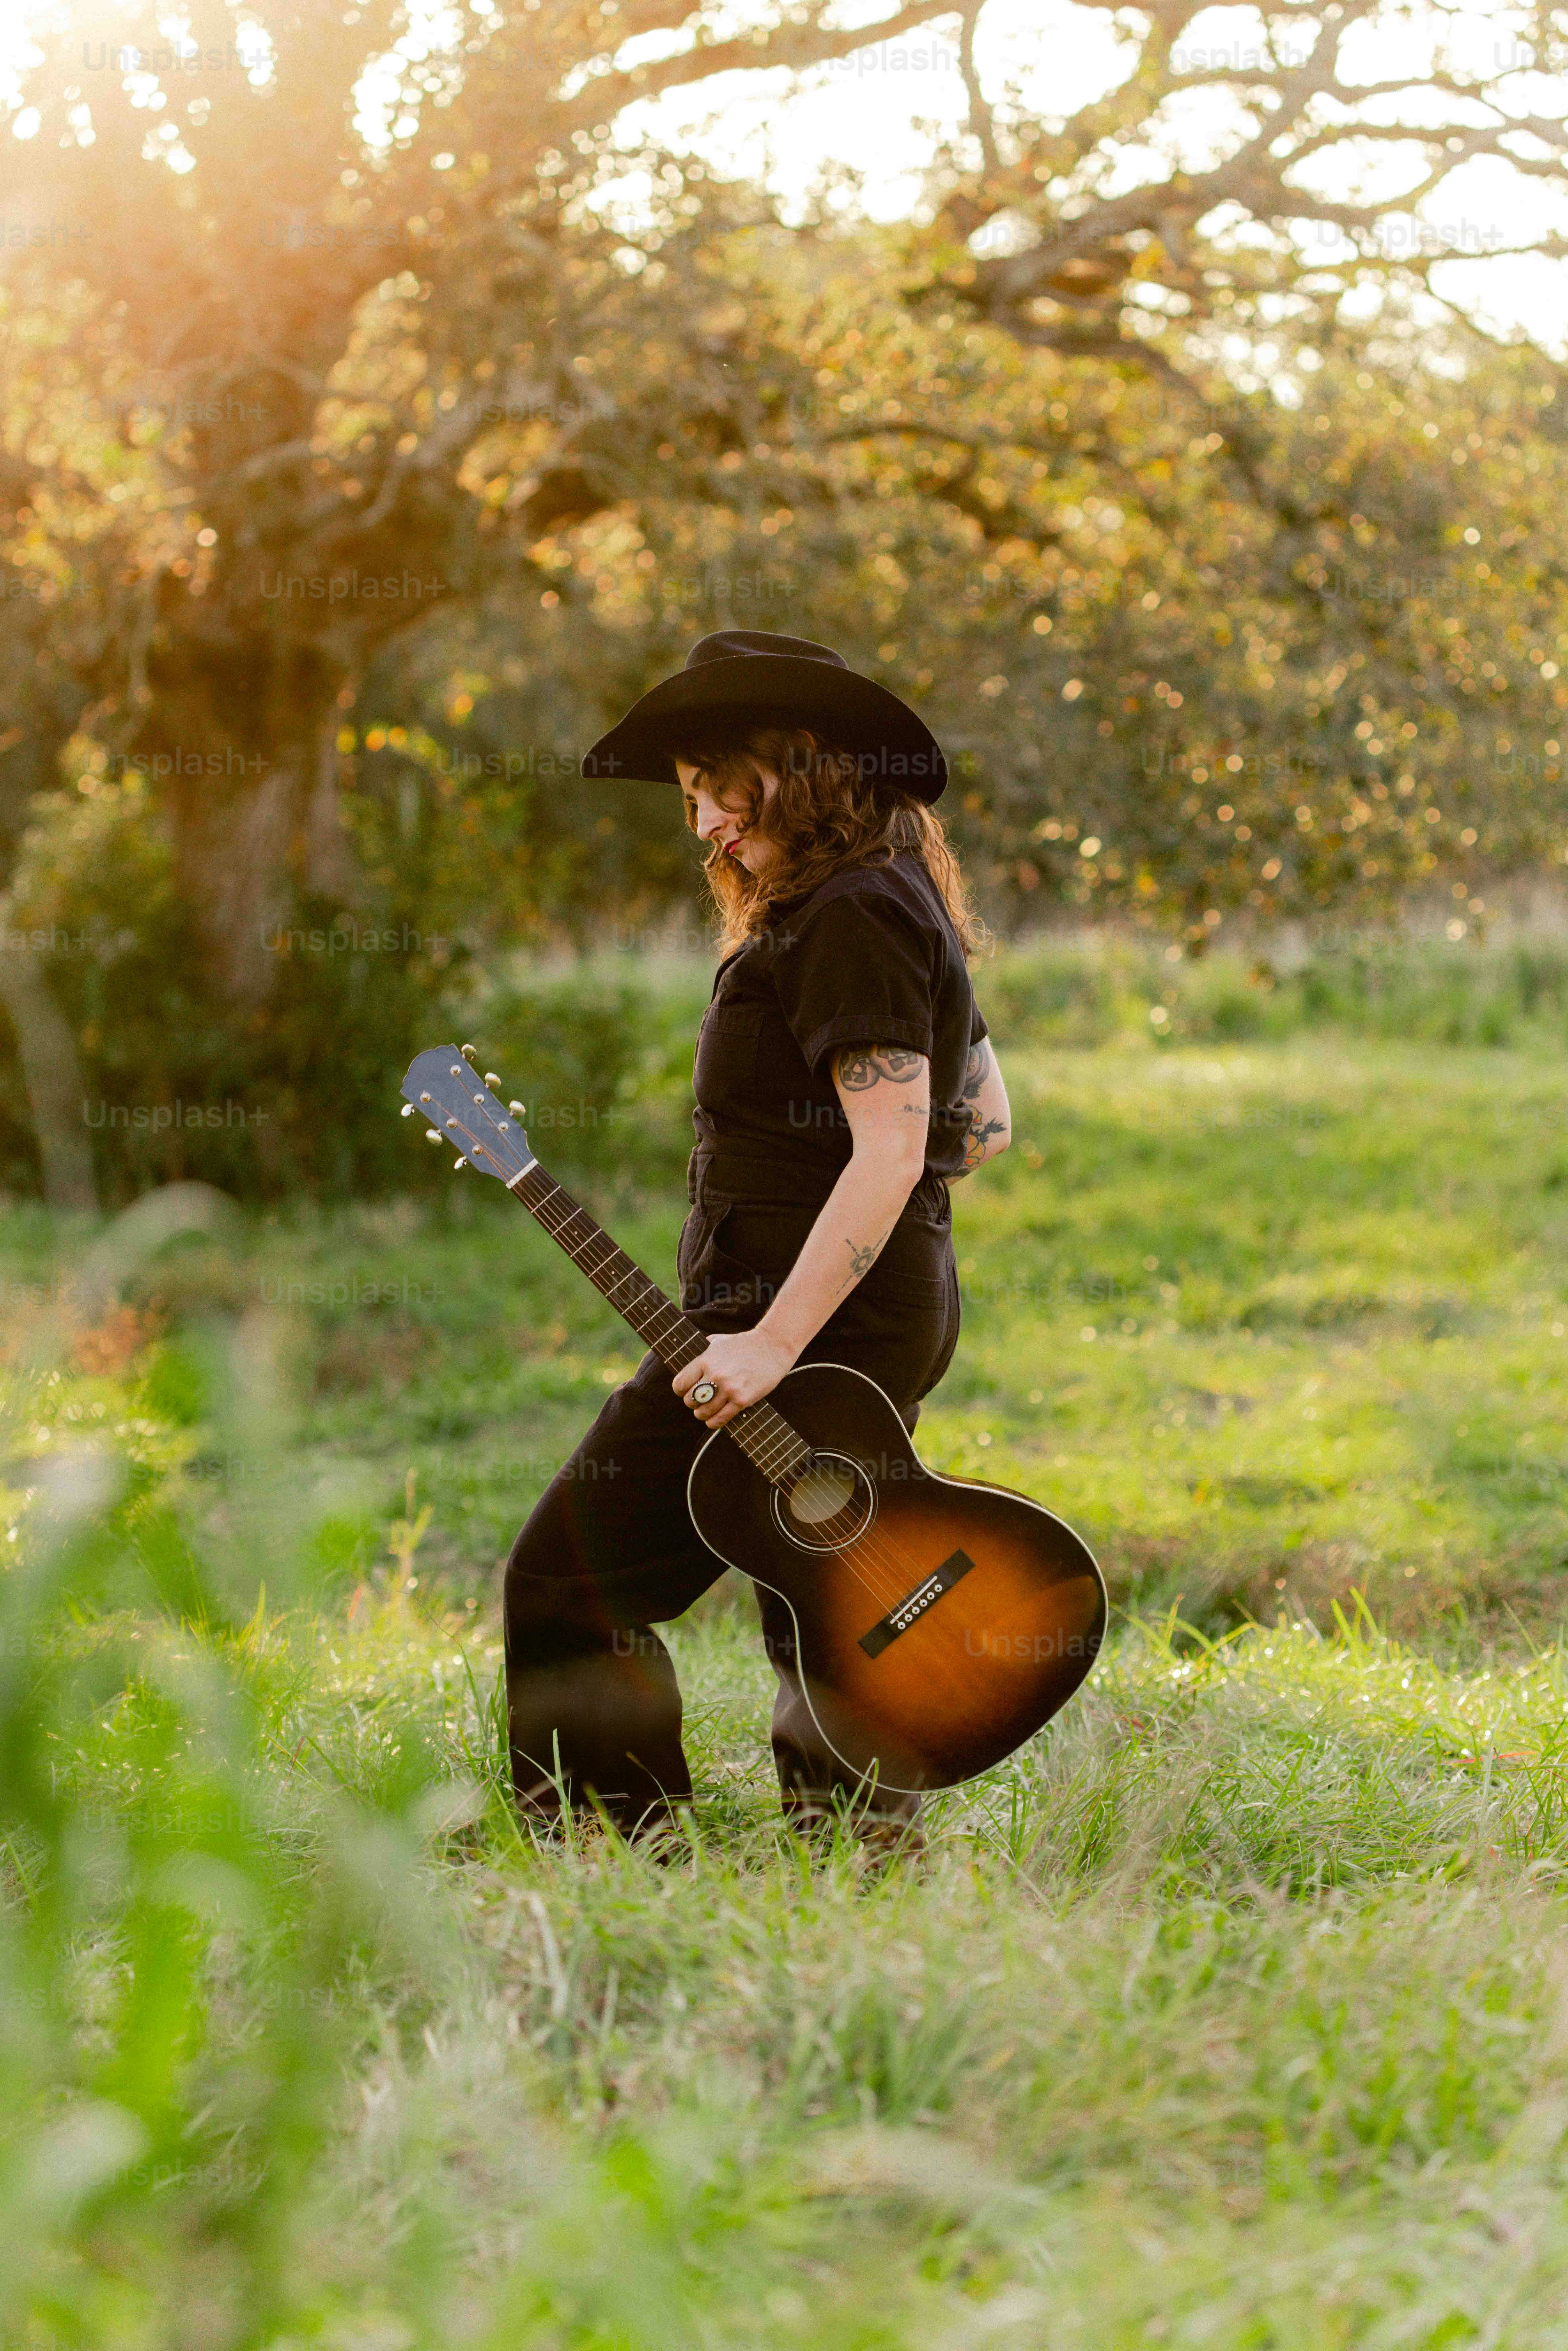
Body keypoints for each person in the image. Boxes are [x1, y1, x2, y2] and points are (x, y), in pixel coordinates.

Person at [503, 631, 1013, 1849]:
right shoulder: (883, 899)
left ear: (782, 768)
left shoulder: (851, 911)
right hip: (847, 1309)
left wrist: (774, 1339)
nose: (702, 831)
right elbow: (985, 1120)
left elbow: (897, 1146)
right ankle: (851, 1857)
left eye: (706, 792)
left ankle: (618, 1845)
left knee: (570, 1574)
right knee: (824, 1579)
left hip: (794, 1323)